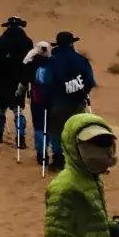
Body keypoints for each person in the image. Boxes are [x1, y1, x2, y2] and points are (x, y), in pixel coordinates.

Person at [46, 32, 96, 171]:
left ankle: (58, 158)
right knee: (77, 131)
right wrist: (83, 92)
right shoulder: (81, 60)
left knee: (56, 131)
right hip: (77, 102)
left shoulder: (52, 60)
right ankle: (75, 159)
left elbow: (47, 80)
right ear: (71, 43)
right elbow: (90, 81)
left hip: (57, 102)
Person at [0, 17, 33, 147]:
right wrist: (27, 80)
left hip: (3, 80)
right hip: (19, 81)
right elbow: (30, 63)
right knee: (18, 110)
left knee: (0, 109)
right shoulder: (27, 41)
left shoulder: (1, 40)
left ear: (8, 26)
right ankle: (20, 138)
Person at [23, 41, 53, 166]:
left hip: (37, 100)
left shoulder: (32, 63)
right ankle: (47, 149)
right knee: (49, 126)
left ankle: (41, 154)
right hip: (51, 100)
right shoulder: (53, 63)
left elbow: (25, 69)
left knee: (39, 127)